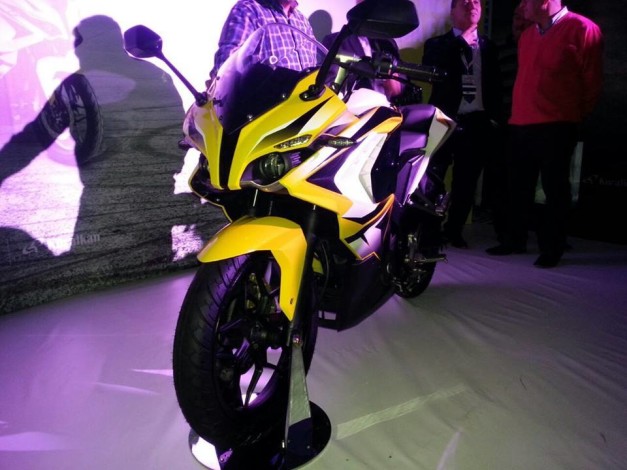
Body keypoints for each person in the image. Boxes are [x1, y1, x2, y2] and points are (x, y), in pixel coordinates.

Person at [486, 0, 604, 268]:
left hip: (557, 123)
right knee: (517, 186)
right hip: (521, 122)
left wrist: (573, 115)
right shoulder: (528, 35)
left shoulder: (582, 29)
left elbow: (592, 81)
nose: (523, 6)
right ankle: (514, 239)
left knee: (555, 188)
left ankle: (552, 247)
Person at [421, 0, 503, 248]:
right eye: (465, 2)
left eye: (476, 2)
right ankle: (429, 230)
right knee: (433, 177)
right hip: (444, 119)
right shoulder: (437, 44)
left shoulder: (489, 47)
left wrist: (494, 118)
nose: (472, 5)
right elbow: (431, 70)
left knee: (466, 181)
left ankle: (454, 230)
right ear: (452, 11)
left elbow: (495, 84)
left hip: (476, 120)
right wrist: (460, 44)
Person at [209, 0, 317, 81]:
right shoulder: (248, 9)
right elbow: (227, 64)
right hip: (269, 102)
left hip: (306, 100)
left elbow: (313, 65)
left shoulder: (302, 20)